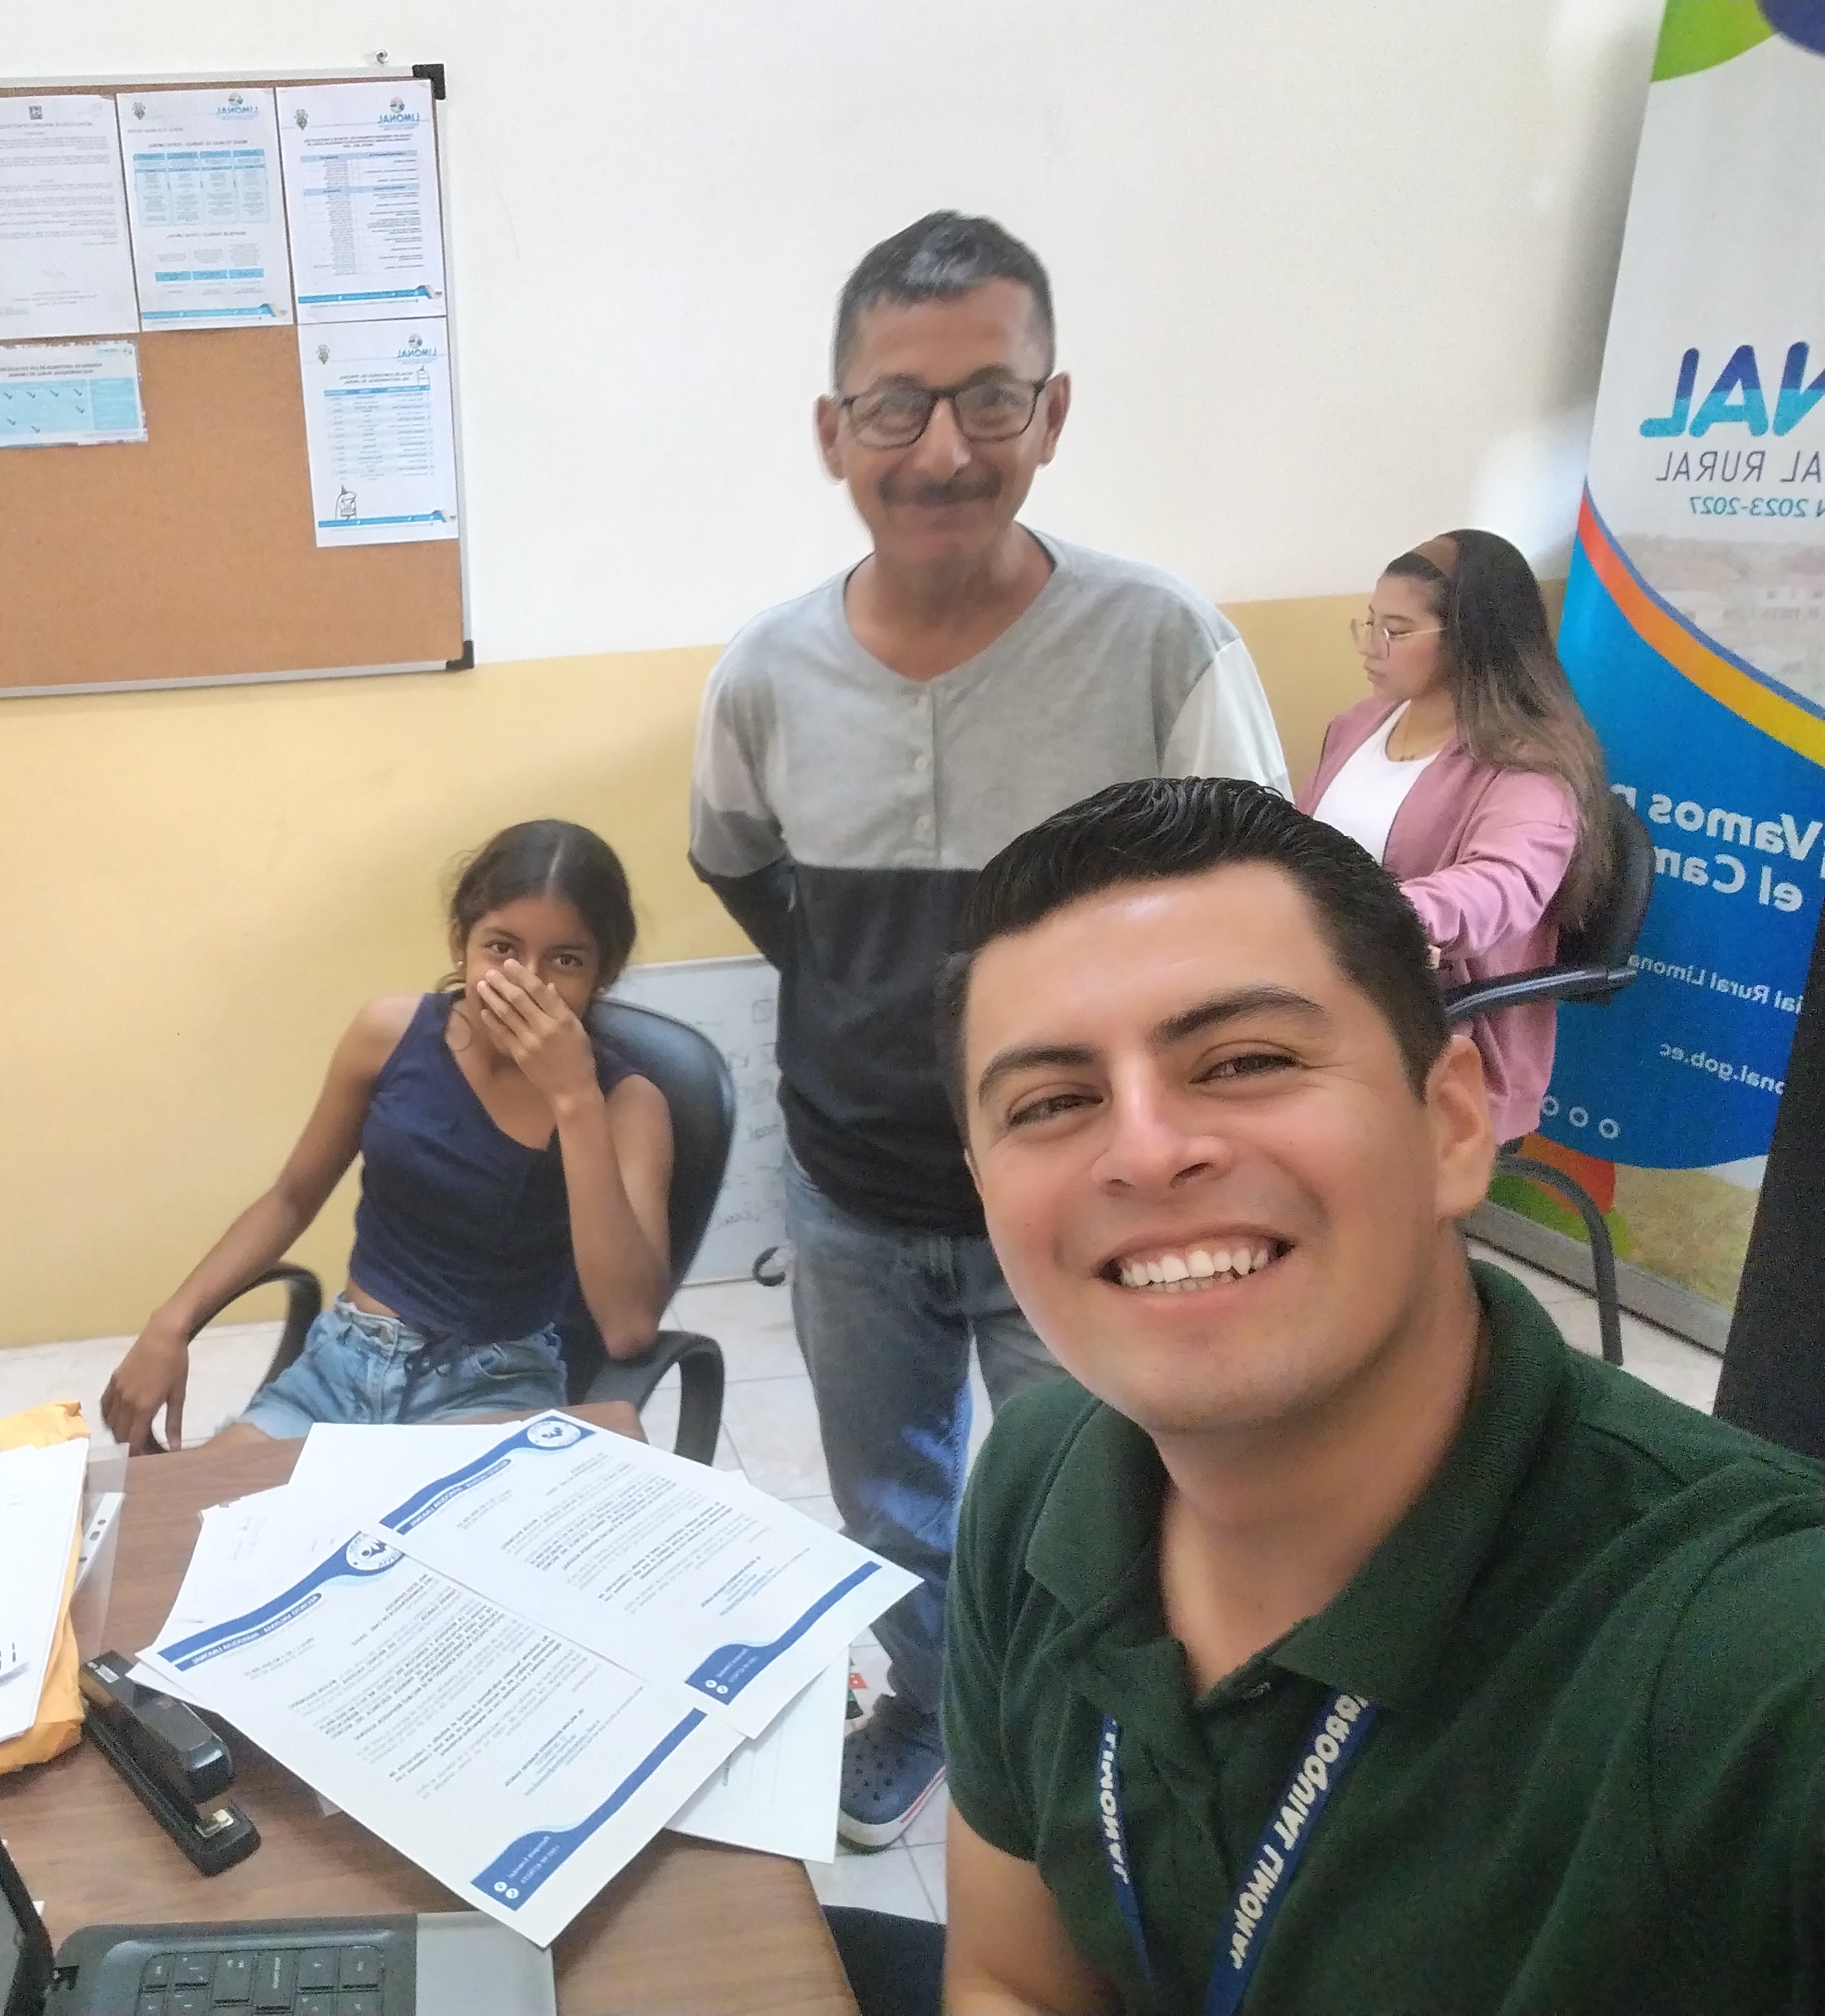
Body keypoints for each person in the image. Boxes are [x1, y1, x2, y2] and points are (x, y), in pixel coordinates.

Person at [925, 778, 1819, 2015]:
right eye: (1054, 1104)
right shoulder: (1039, 1477)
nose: (1146, 1151)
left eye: (1245, 1061)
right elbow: (1011, 1978)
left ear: (1452, 1123)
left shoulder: (1754, 1662)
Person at [687, 210, 1289, 1849]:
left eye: (990, 399)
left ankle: (1094, 1760)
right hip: (851, 1190)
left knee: (1101, 1508)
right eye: (896, 405)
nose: (943, 449)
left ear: (1053, 410)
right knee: (890, 1513)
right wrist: (885, 1015)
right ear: (834, 431)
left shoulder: (1159, 645)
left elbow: (1260, 912)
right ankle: (936, 1708)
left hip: (1089, 1197)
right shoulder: (764, 675)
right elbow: (742, 868)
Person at [100, 821, 673, 1450]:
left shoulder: (627, 1105)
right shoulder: (387, 1035)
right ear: (459, 943)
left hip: (494, 1384)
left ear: (604, 973)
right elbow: (291, 1197)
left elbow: (627, 1328)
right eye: (501, 948)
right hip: (341, 1366)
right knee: (200, 1507)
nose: (526, 983)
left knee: (426, 1517)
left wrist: (574, 1099)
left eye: (565, 961)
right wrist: (170, 1323)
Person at [1301, 527, 1619, 1142]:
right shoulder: (1358, 724)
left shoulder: (1529, 765)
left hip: (1440, 1027)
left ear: (1472, 635)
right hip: (1336, 987)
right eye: (1369, 623)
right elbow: (1297, 841)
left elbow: (1502, 885)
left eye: (1395, 631)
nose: (1370, 647)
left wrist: (1379, 914)